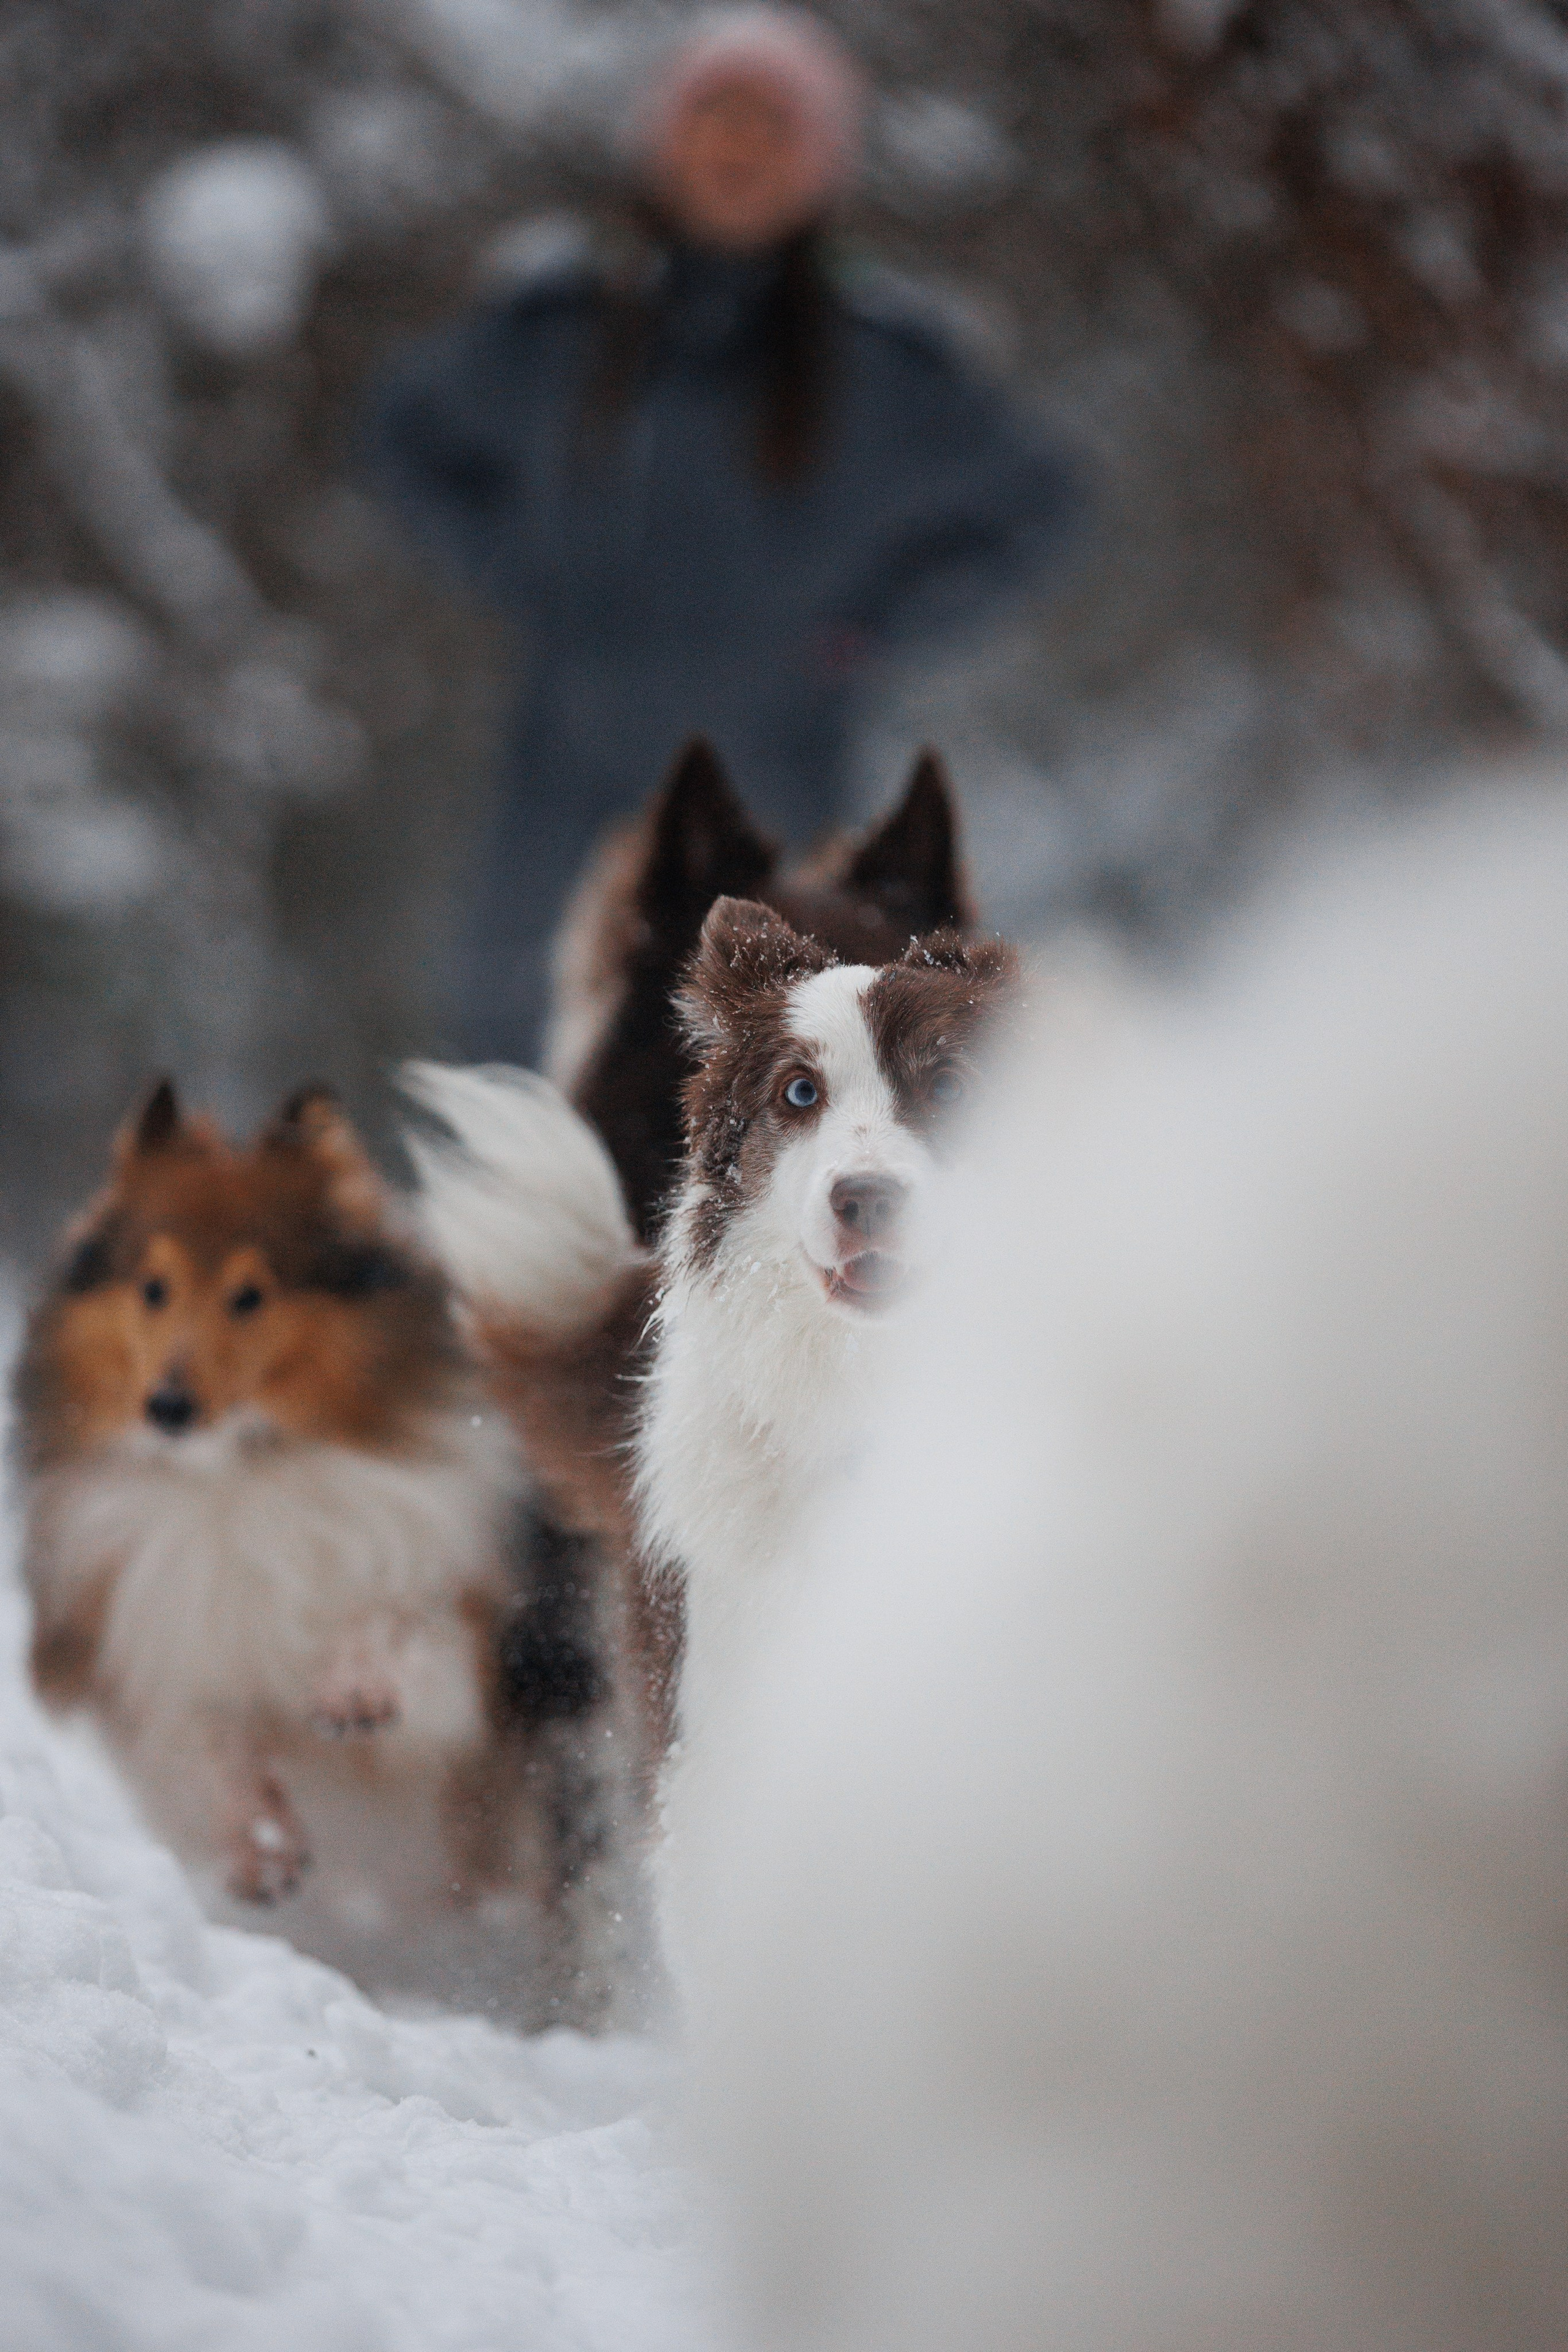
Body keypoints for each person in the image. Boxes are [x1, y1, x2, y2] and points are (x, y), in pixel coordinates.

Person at [366, 7, 1080, 1061]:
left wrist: (871, 629)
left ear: (823, 162)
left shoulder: (885, 365)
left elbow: (1038, 500)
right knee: (517, 1058)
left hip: (779, 801)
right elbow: (403, 435)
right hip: (564, 789)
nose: (739, 146)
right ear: (665, 141)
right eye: (715, 114)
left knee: (768, 1070)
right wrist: (518, 567)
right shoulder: (560, 333)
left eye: (774, 123)